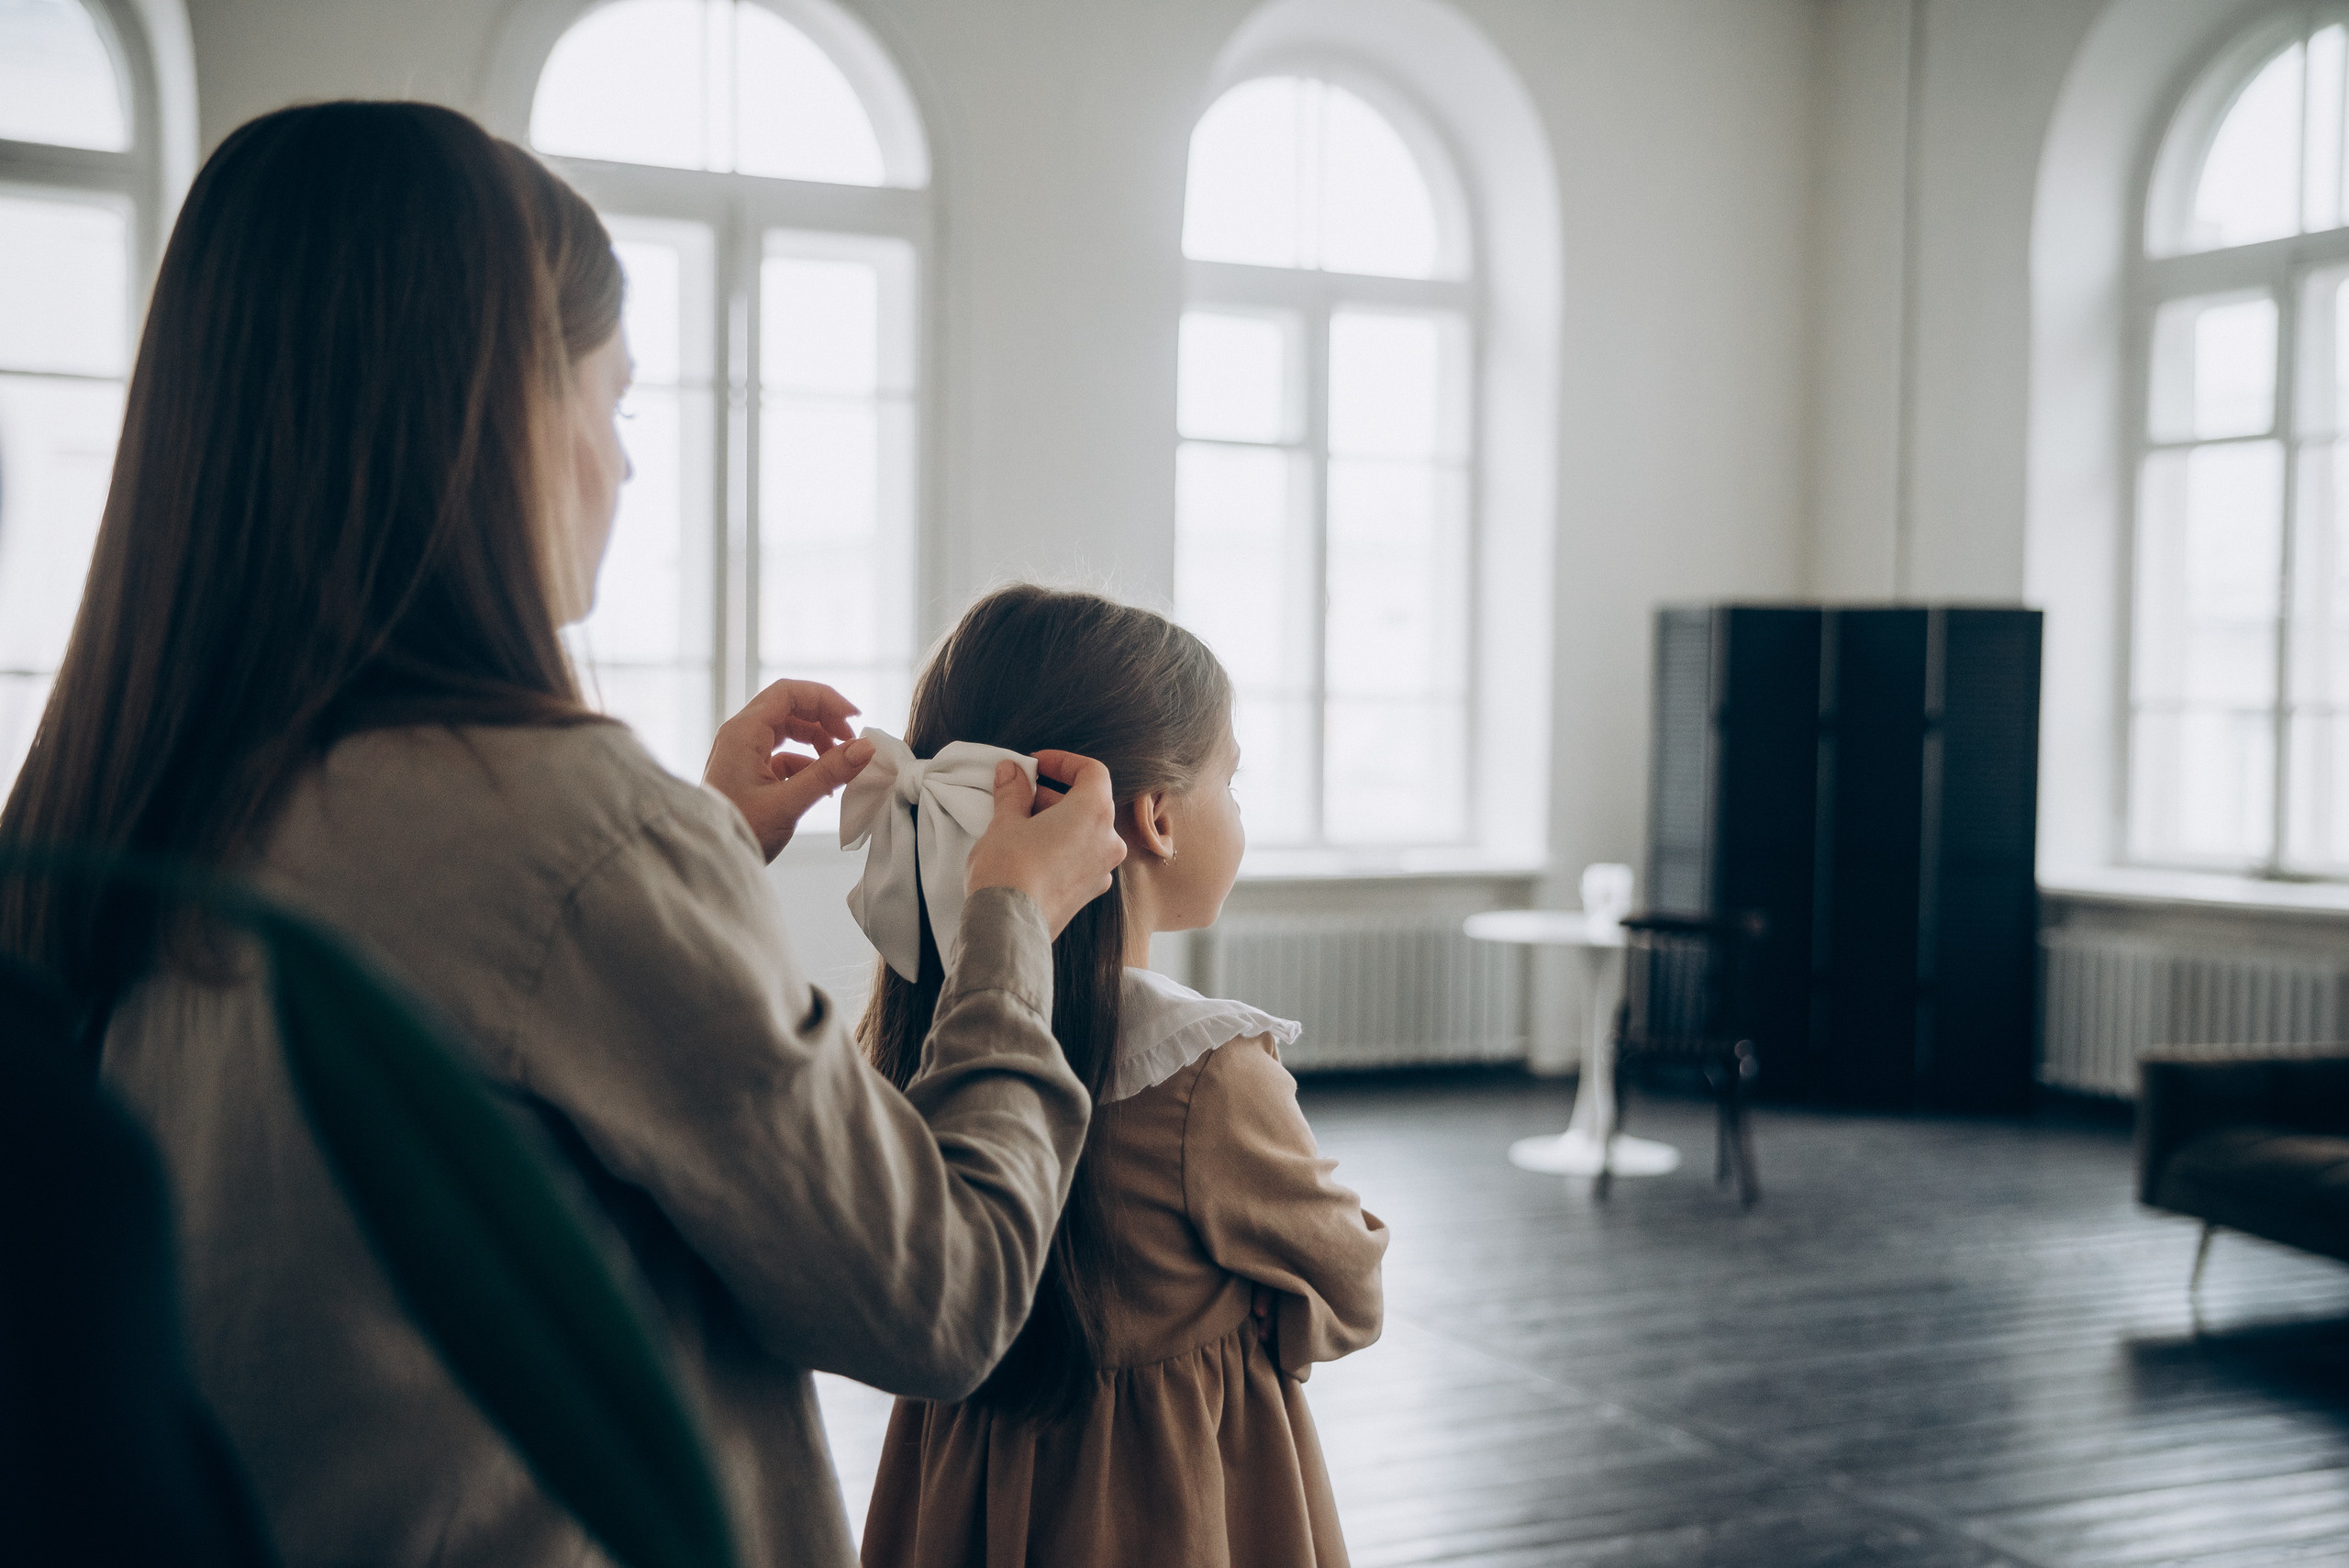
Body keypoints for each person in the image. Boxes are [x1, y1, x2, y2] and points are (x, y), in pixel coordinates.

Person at [0, 102, 1125, 1567]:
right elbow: (943, 1296)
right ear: (495, 410)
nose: (624, 464)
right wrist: (1009, 928)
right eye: (616, 400)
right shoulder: (569, 830)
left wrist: (691, 842)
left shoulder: (100, 817)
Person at [849, 585, 1389, 1568]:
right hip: (1161, 1509)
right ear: (1156, 818)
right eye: (1231, 781)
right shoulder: (1209, 1074)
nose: (1238, 806)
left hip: (962, 1492)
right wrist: (1256, 1301)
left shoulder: (924, 1035)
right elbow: (1348, 1282)